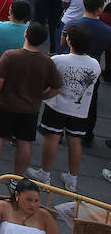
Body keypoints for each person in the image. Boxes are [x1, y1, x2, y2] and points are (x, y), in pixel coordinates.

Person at [0, 20, 60, 181]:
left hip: (5, 104)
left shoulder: (10, 55)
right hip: (30, 109)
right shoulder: (47, 62)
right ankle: (16, 178)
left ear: (26, 35)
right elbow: (56, 87)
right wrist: (41, 96)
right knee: (24, 142)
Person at [29, 23, 100, 191]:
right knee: (75, 141)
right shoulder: (95, 65)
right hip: (80, 110)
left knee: (52, 138)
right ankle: (72, 179)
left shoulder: (58, 60)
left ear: (69, 41)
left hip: (57, 105)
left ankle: (45, 173)